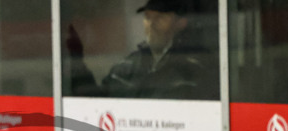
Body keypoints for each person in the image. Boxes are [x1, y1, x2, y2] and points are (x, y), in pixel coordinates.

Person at [66, 0, 218, 100]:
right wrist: (76, 59)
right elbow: (97, 102)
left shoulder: (199, 65)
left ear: (181, 23)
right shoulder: (129, 65)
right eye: (148, 17)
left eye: (160, 18)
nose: (151, 25)